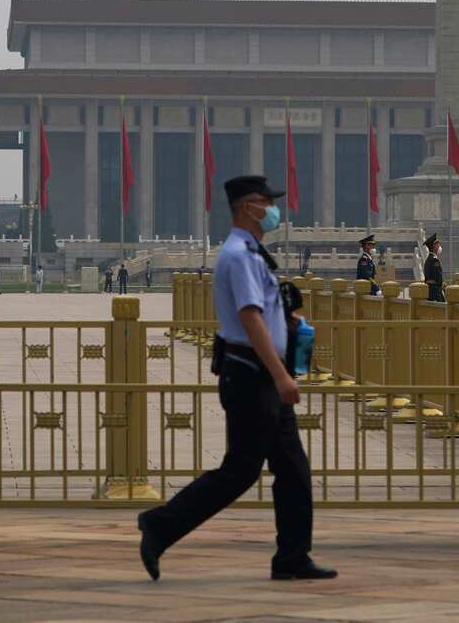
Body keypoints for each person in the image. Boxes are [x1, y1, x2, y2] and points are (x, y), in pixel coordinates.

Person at [137, 175, 336, 582]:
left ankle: (292, 557)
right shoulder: (239, 254)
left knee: (293, 468)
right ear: (248, 207)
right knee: (240, 470)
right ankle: (160, 524)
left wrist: (289, 319)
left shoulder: (251, 251)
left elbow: (263, 307)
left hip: (259, 374)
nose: (274, 210)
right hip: (252, 376)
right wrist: (282, 376)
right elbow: (249, 316)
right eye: (267, 202)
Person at [423, 233, 445, 303]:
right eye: (438, 244)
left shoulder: (428, 259)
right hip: (435, 293)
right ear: (434, 246)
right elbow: (438, 278)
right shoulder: (434, 260)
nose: (439, 246)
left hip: (429, 292)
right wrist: (442, 284)